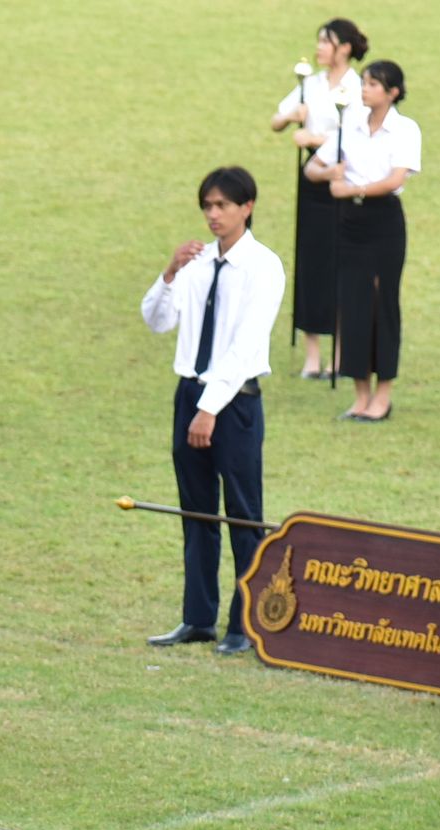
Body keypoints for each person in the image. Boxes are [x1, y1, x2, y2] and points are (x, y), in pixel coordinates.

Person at [140, 166, 286, 655]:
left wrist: (209, 409)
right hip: (190, 393)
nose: (213, 215)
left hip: (234, 401)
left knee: (243, 515)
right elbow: (157, 321)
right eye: (207, 206)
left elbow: (246, 344)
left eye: (222, 205)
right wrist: (169, 274)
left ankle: (245, 624)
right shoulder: (198, 263)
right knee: (195, 511)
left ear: (247, 207)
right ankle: (198, 618)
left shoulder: (263, 266)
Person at [307, 60, 419, 422]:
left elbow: (395, 179)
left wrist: (352, 188)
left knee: (381, 303)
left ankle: (382, 395)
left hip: (383, 221)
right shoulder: (350, 124)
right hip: (350, 223)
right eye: (365, 82)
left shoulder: (404, 129)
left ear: (392, 92)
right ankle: (360, 396)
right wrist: (331, 173)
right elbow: (312, 168)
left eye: (373, 84)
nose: (365, 89)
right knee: (352, 303)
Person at [273, 17, 368, 379]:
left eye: (326, 42)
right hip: (311, 181)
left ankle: (340, 354)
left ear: (344, 48)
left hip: (340, 177)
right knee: (310, 262)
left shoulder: (356, 87)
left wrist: (312, 138)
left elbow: (354, 132)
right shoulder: (310, 84)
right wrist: (291, 117)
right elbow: (276, 119)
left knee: (338, 264)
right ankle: (312, 354)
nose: (319, 48)